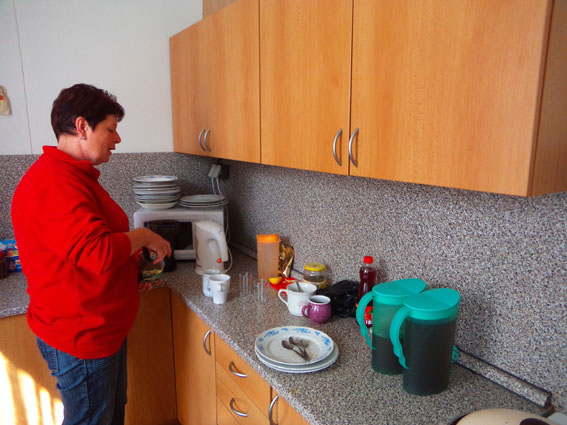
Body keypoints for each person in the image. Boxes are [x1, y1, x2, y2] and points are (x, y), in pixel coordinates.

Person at [11, 83, 171, 425]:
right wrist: (144, 236)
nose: (117, 139)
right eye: (111, 129)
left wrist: (131, 272)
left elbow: (86, 246)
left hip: (98, 327)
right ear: (82, 126)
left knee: (108, 415)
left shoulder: (74, 176)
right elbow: (96, 252)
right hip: (81, 334)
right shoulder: (56, 182)